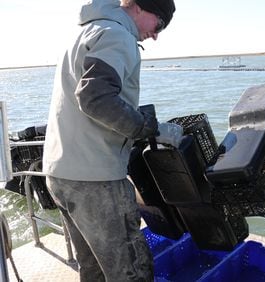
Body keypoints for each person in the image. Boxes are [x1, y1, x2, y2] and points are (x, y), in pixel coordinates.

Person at [42, 0, 181, 281]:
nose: (156, 35)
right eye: (160, 24)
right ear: (141, 8)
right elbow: (95, 97)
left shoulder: (88, 29)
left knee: (93, 268)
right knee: (131, 269)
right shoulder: (117, 35)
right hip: (96, 179)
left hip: (61, 173)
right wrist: (147, 127)